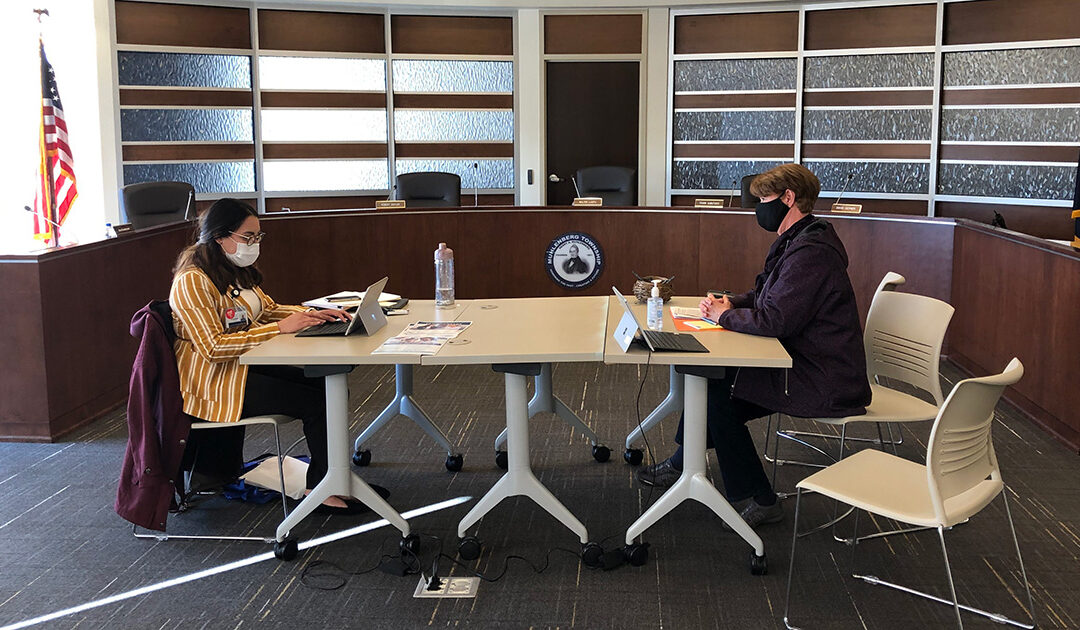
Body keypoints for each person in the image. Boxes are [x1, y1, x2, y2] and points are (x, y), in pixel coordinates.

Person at [636, 164, 872, 529]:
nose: (758, 207)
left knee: (718, 391)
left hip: (822, 377)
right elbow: (770, 296)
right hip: (805, 360)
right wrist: (733, 302)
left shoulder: (812, 252)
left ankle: (760, 498)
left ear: (788, 198)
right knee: (713, 382)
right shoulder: (802, 239)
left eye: (763, 200)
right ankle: (685, 463)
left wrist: (722, 317)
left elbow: (776, 320)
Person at [169, 198, 377, 515]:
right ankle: (321, 488)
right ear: (219, 237)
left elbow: (266, 310)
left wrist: (314, 314)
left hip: (239, 369)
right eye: (247, 237)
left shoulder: (232, 271)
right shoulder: (193, 281)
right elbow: (212, 347)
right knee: (318, 401)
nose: (254, 244)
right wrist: (280, 328)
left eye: (258, 237)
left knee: (328, 389)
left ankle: (330, 479)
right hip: (213, 383)